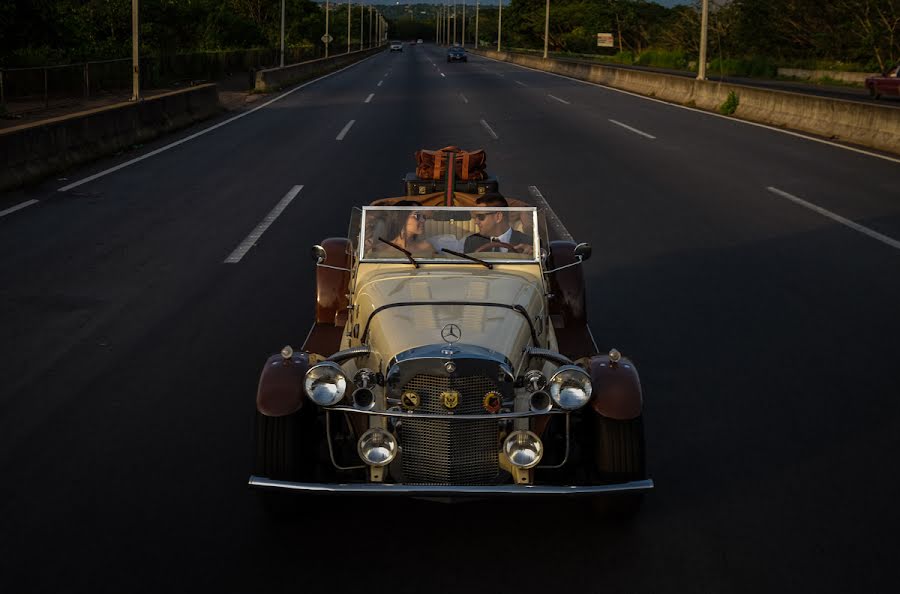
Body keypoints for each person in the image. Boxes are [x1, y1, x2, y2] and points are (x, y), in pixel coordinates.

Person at [464, 193, 532, 254]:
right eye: (475, 217)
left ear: (498, 217)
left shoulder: (528, 242)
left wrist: (533, 254)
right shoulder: (472, 242)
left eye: (481, 217)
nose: (476, 222)